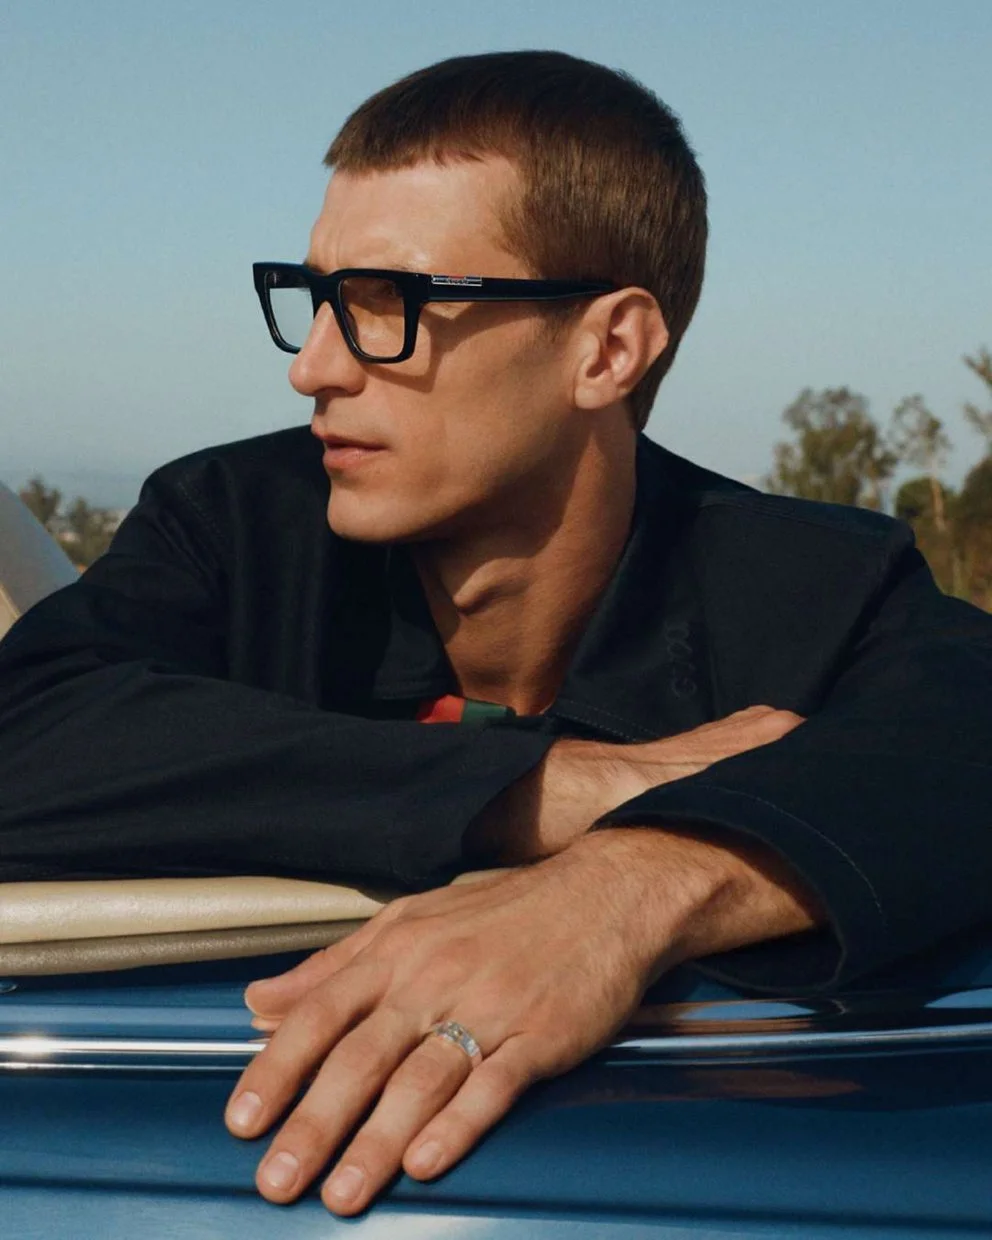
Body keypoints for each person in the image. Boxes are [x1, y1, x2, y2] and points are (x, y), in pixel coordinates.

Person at [1, 49, 991, 1216]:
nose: (312, 366)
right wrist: (552, 789)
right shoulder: (230, 525)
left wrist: (633, 888)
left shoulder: (811, 582)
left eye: (388, 306)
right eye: (315, 298)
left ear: (607, 349)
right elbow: (30, 729)